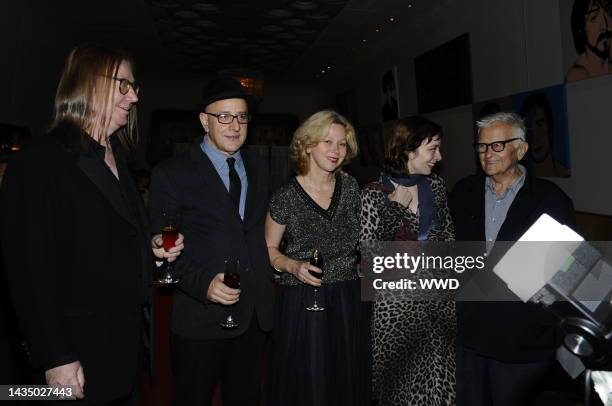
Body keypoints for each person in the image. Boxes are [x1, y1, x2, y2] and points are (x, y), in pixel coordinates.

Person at [0, 45, 183, 405]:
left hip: (123, 352)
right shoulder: (40, 161)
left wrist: (152, 251)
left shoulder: (117, 160)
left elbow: (108, 238)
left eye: (135, 87)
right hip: (73, 356)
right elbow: (28, 272)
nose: (133, 97)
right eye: (123, 85)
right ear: (87, 84)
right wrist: (55, 358)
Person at [148, 76, 274, 406]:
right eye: (224, 116)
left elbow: (261, 231)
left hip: (253, 317)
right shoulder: (172, 173)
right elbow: (162, 249)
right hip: (200, 318)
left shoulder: (259, 166)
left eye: (242, 117)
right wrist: (204, 284)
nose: (235, 125)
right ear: (204, 120)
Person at [449, 112, 575, 406]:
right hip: (470, 336)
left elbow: (563, 272)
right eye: (482, 146)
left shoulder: (551, 201)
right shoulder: (462, 192)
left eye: (497, 146)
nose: (487, 154)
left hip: (522, 339)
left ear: (521, 149)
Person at [265, 110, 370, 406]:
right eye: (328, 142)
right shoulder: (285, 197)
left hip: (348, 295)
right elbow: (269, 250)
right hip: (302, 297)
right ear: (308, 144)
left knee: (346, 375)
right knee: (309, 379)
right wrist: (293, 265)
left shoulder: (351, 188)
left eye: (342, 144)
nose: (336, 151)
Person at [360, 116, 456, 406]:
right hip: (397, 310)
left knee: (441, 384)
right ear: (408, 150)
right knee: (401, 389)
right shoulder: (373, 195)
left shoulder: (436, 186)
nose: (439, 157)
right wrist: (394, 208)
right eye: (433, 149)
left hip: (439, 304)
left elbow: (449, 239)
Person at [519, 93, 570, 178]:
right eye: (528, 128)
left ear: (549, 128)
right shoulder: (520, 177)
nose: (535, 137)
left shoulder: (564, 173)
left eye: (540, 125)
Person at [566, 0, 612, 82]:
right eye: (594, 18)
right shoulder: (577, 76)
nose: (604, 26)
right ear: (580, 28)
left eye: (608, 13)